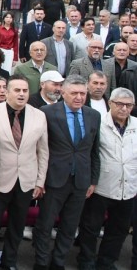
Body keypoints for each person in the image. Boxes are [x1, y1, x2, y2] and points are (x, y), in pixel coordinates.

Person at [0, 75, 49, 269]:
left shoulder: (39, 115)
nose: (22, 94)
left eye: (25, 90)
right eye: (17, 90)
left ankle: (9, 262)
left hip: (26, 181)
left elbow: (43, 151)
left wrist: (40, 181)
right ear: (6, 92)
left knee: (17, 227)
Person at [32, 75, 101, 270]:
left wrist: (93, 181)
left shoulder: (93, 115)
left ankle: (58, 262)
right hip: (54, 179)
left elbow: (94, 151)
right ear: (63, 92)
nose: (79, 97)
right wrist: (40, 179)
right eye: (74, 93)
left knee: (70, 226)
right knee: (45, 225)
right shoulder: (46, 112)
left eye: (83, 93)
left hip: (81, 180)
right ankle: (42, 262)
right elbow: (39, 149)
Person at [74, 87, 136, 270]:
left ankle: (106, 261)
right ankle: (86, 260)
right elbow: (90, 154)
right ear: (110, 104)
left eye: (128, 105)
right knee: (90, 227)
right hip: (101, 186)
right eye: (120, 104)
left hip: (129, 188)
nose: (124, 109)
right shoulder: (98, 123)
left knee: (118, 229)